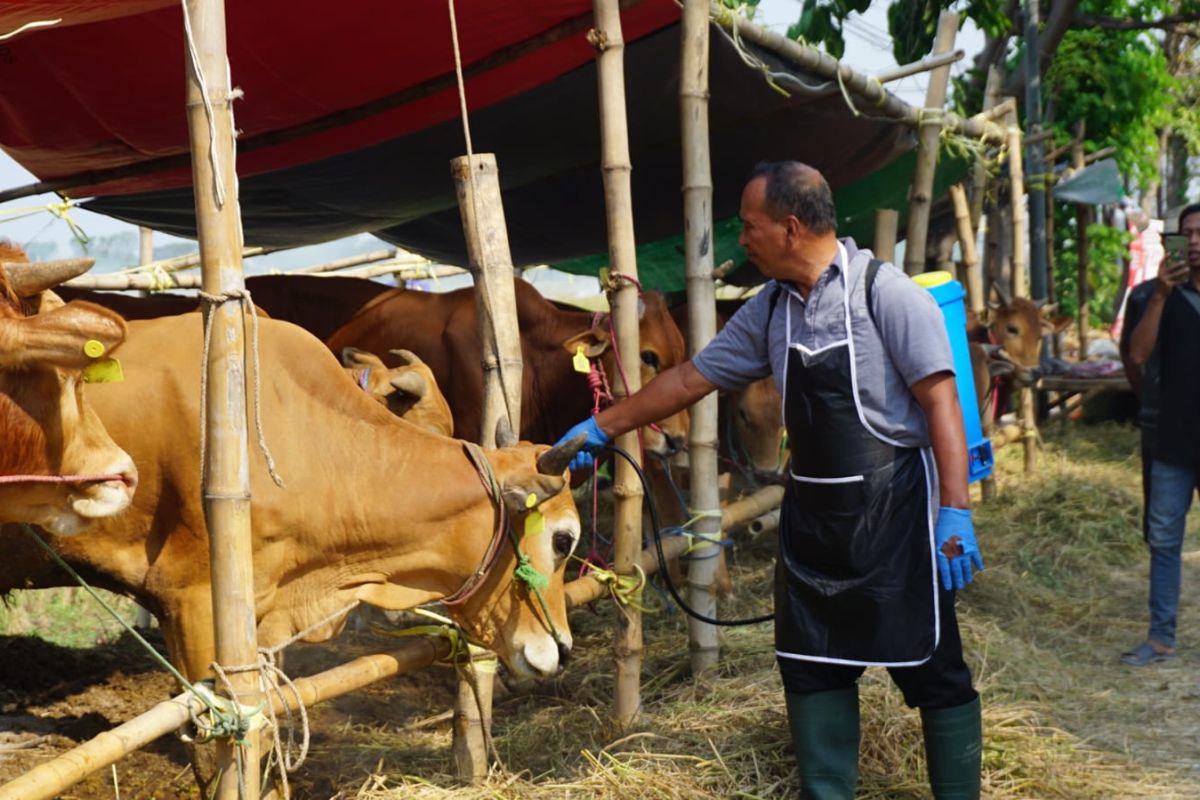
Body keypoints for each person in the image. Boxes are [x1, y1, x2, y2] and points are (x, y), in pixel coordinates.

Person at [556, 161, 983, 799]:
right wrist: (602, 425)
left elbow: (942, 406)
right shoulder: (771, 311)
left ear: (789, 227)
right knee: (811, 670)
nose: (742, 239)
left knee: (931, 670)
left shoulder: (886, 295)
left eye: (750, 226)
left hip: (892, 520)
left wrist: (955, 510)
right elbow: (689, 380)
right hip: (812, 525)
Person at [1119, 202, 1200, 667]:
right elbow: (1138, 353)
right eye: (1184, 233)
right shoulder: (1155, 296)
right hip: (1172, 439)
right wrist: (1164, 296)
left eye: (1199, 232)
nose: (1192, 241)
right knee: (1165, 539)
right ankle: (1162, 637)